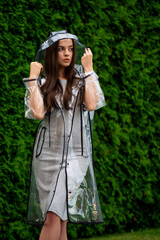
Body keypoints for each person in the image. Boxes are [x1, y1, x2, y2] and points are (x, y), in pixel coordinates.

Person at [23, 30, 106, 240]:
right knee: (56, 218)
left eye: (70, 49)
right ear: (52, 53)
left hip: (76, 157)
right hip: (47, 159)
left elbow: (92, 104)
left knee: (57, 216)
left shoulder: (80, 81)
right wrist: (32, 78)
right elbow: (37, 113)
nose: (67, 54)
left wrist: (89, 70)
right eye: (61, 49)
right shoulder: (43, 84)